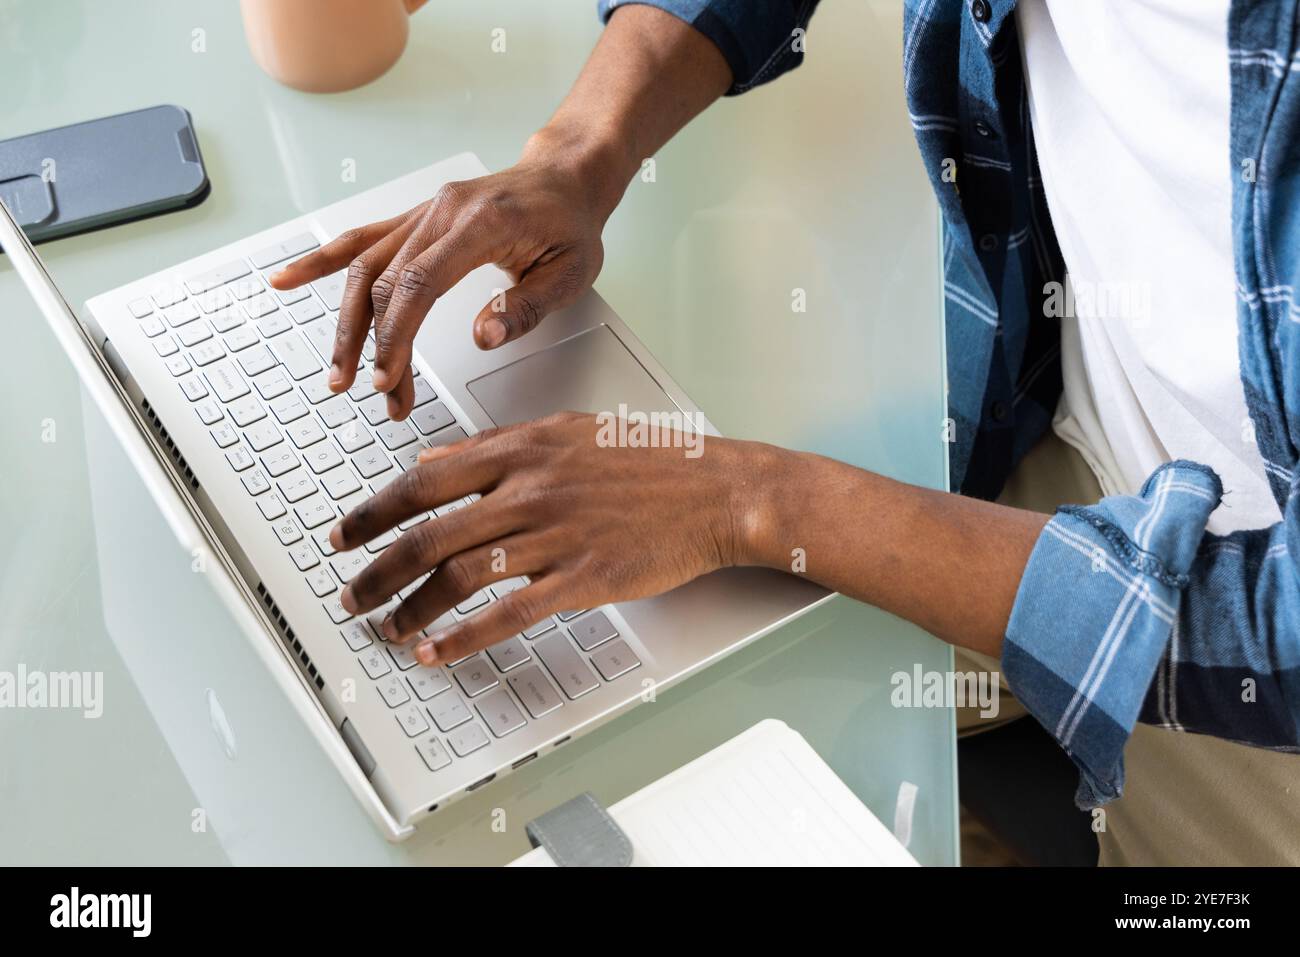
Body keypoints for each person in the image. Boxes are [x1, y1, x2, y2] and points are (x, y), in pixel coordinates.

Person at [269, 1, 1300, 865]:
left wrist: (754, 500)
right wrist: (581, 151)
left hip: (1254, 636)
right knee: (626, 718)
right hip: (1052, 420)